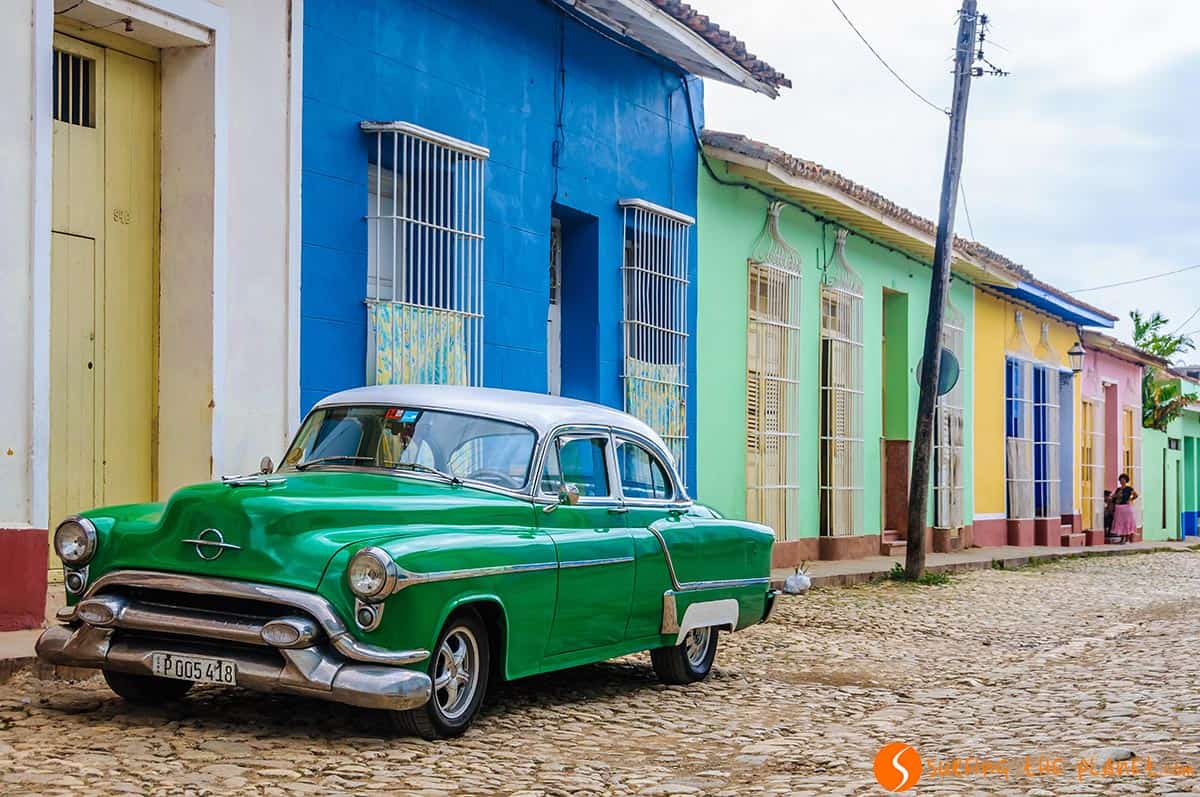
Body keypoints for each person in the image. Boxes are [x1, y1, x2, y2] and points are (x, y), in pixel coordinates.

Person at [1110, 474, 1139, 543]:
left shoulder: (1129, 489)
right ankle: (1122, 538)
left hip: (1126, 507)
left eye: (1123, 479)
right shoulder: (1118, 489)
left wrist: (1130, 499)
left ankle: (1126, 539)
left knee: (1126, 523)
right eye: (1121, 480)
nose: (1122, 481)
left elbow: (1136, 495)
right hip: (1119, 508)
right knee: (1120, 523)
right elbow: (1113, 497)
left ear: (1126, 480)